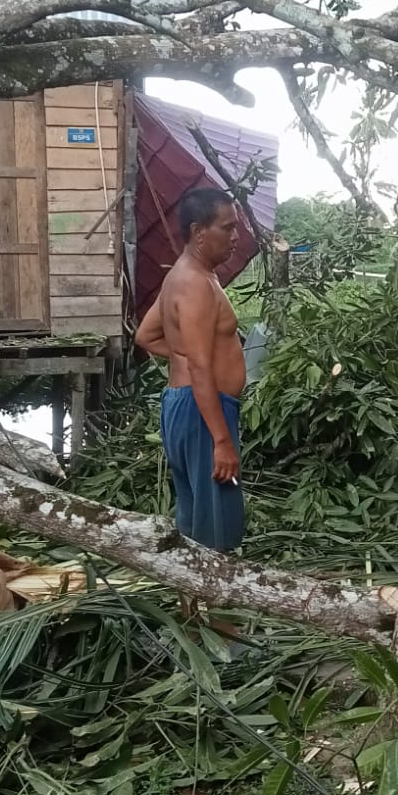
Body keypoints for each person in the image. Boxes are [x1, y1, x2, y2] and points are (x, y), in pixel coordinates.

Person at [135, 187, 247, 552]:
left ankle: (194, 607)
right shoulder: (196, 284)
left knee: (194, 523)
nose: (236, 237)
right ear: (199, 232)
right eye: (227, 228)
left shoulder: (181, 276)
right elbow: (199, 365)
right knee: (215, 533)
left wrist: (186, 359)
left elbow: (146, 336)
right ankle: (214, 607)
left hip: (185, 406)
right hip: (204, 414)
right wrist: (221, 440)